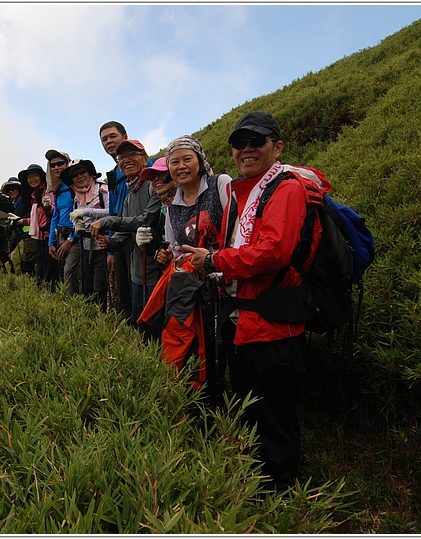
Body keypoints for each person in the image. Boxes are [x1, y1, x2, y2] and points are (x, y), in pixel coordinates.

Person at [182, 111, 322, 491]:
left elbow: (273, 251)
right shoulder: (245, 193)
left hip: (274, 322)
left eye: (256, 141)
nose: (246, 149)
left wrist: (213, 260)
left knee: (273, 413)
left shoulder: (286, 188)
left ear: (277, 147)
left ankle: (279, 495)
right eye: (240, 143)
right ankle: (255, 482)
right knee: (249, 405)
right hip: (245, 320)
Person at [152, 135, 232, 409]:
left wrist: (214, 260)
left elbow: (236, 229)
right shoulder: (171, 205)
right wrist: (165, 256)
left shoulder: (221, 184)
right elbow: (175, 248)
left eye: (188, 158)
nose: (181, 166)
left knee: (223, 348)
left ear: (200, 160)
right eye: (175, 161)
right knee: (201, 348)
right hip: (193, 289)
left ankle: (226, 406)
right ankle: (203, 405)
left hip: (226, 282)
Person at [88, 140, 162, 326]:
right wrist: (110, 242)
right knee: (140, 322)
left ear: (145, 159)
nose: (126, 160)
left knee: (154, 325)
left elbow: (146, 220)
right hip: (137, 272)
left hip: (156, 270)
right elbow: (124, 236)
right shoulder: (129, 198)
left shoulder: (154, 187)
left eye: (132, 155)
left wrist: (108, 221)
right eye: (122, 157)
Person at [61, 159, 110, 309]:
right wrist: (77, 228)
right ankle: (90, 318)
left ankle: (103, 317)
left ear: (90, 173)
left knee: (100, 285)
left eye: (82, 172)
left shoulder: (102, 190)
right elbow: (78, 223)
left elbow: (111, 212)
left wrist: (87, 211)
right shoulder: (76, 198)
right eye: (75, 175)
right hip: (85, 246)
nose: (80, 176)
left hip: (102, 244)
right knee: (87, 286)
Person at [98, 121, 133, 319]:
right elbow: (112, 212)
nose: (109, 141)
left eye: (113, 136)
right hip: (118, 240)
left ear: (125, 137)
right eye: (104, 139)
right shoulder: (112, 174)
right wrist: (111, 248)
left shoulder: (142, 164)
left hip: (136, 235)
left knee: (137, 286)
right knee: (124, 289)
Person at [12, 164, 55, 284]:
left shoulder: (47, 191)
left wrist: (48, 207)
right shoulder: (34, 195)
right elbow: (36, 220)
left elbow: (55, 211)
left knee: (50, 270)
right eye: (29, 177)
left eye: (35, 175)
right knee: (41, 269)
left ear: (41, 176)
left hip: (50, 236)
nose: (32, 179)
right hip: (40, 238)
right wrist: (21, 221)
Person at [44, 149, 76, 289]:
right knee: (64, 272)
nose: (56, 167)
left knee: (70, 271)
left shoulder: (75, 186)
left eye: (60, 163)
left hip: (76, 236)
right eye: (53, 165)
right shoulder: (58, 190)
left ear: (67, 164)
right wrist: (51, 243)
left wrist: (71, 240)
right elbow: (55, 218)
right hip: (61, 237)